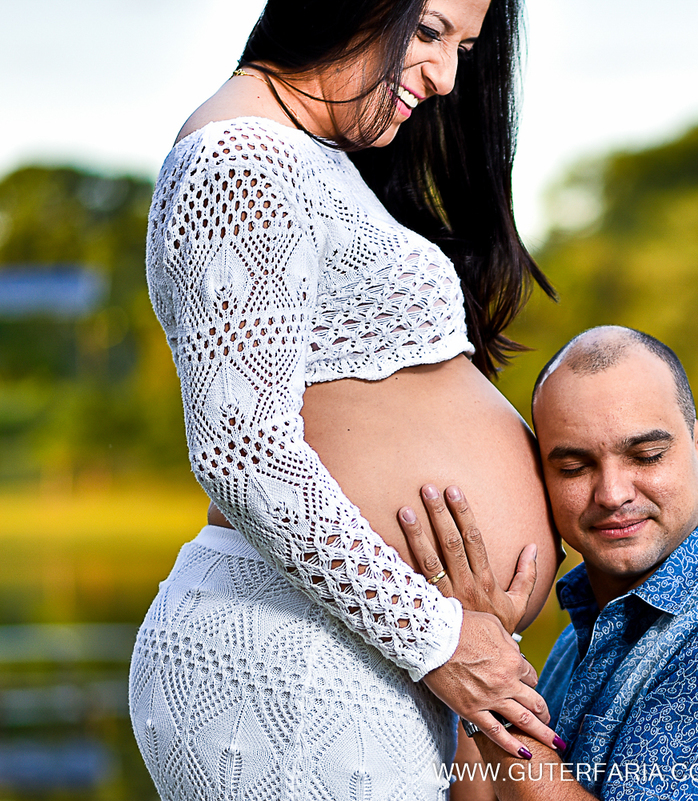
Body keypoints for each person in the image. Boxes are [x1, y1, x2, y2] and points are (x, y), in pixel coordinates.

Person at [128, 0, 565, 798]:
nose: (447, 77)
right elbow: (239, 447)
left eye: (464, 47)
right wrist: (437, 637)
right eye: (431, 32)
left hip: (338, 654)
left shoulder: (309, 152)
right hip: (287, 659)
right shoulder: (240, 157)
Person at [400, 326, 698, 800]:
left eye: (646, 456)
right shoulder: (583, 632)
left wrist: (494, 694)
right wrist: (477, 644)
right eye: (574, 467)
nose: (612, 494)